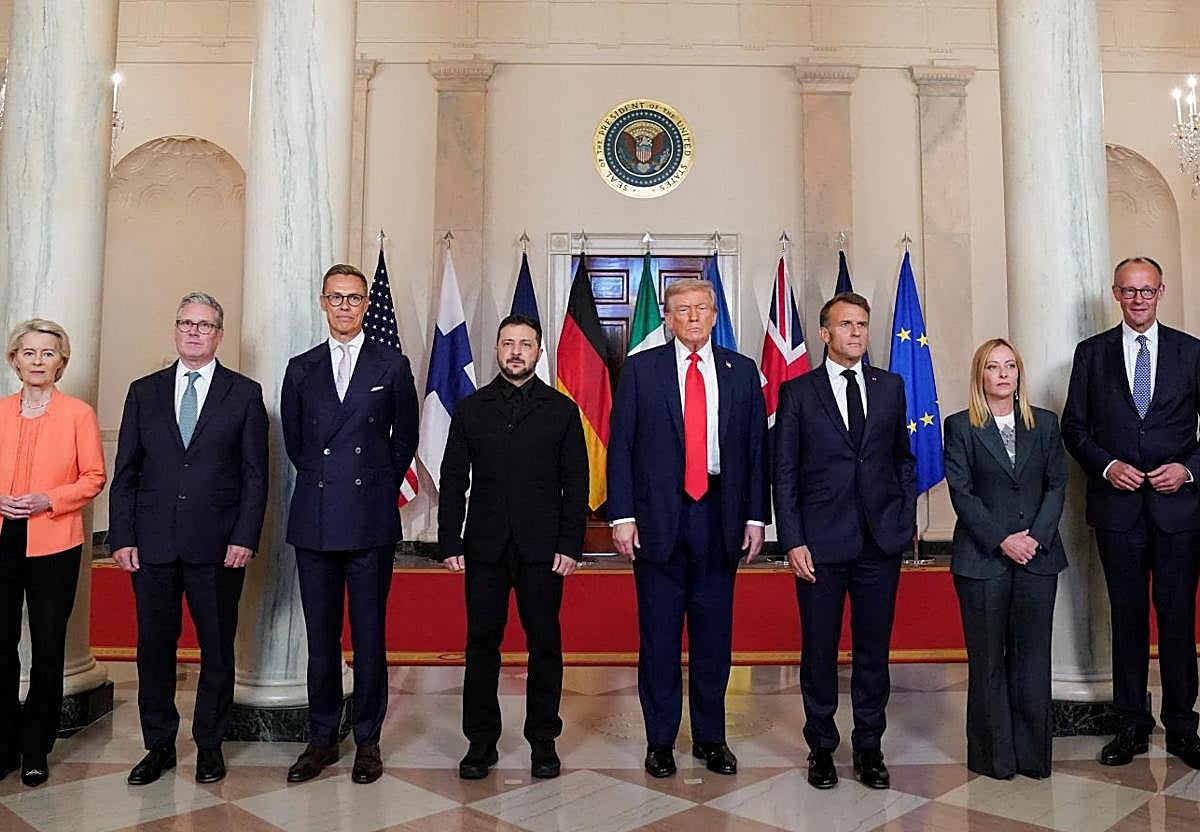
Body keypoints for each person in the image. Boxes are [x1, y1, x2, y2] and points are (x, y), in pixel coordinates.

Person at [608, 277, 768, 779]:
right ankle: (660, 741)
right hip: (658, 518)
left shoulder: (742, 372)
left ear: (715, 315)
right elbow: (622, 447)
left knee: (713, 639)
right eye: (683, 310)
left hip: (719, 516)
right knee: (658, 639)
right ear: (669, 318)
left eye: (702, 309)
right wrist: (623, 515)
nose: (693, 318)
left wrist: (755, 516)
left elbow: (755, 451)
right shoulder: (640, 370)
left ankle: (710, 738)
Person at [109, 293, 268, 786]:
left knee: (217, 648)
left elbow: (255, 475)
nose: (194, 332)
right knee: (153, 648)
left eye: (205, 325)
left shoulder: (243, 393)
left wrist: (245, 535)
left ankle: (209, 744)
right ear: (175, 330)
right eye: (186, 324)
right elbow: (127, 471)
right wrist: (121, 535)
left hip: (218, 546)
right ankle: (158, 745)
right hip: (152, 544)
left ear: (219, 334)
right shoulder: (144, 391)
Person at [281, 263, 419, 785]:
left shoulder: (392, 365)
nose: (344, 306)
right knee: (320, 638)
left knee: (368, 637)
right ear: (322, 303)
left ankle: (367, 740)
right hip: (315, 518)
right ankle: (321, 738)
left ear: (366, 305)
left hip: (368, 518)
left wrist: (374, 485)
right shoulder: (301, 367)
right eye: (336, 298)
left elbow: (404, 438)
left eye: (354, 298)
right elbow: (297, 444)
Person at [773, 291, 915, 791]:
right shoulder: (798, 393)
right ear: (825, 333)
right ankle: (822, 748)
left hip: (880, 542)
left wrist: (902, 515)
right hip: (819, 545)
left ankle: (870, 747)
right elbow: (784, 473)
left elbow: (903, 458)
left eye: (862, 324)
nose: (856, 332)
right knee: (819, 651)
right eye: (846, 324)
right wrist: (792, 540)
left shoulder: (891, 387)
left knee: (873, 652)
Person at [1062, 256, 1200, 769]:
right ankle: (1131, 726)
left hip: (1178, 510)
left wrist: (1187, 471)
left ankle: (1184, 726)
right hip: (1117, 509)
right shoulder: (1092, 354)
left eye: (1147, 290)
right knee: (1126, 619)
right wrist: (1106, 465)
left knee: (1179, 618)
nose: (1138, 299)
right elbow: (1074, 427)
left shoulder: (1191, 352)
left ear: (1160, 292)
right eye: (1129, 290)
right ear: (1115, 294)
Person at [438, 313, 589, 781]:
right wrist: (449, 538)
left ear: (539, 352)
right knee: (481, 644)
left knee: (545, 643)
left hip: (543, 548)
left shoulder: (561, 410)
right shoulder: (472, 408)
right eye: (508, 343)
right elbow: (452, 477)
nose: (516, 351)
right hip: (483, 545)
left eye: (526, 344)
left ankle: (543, 740)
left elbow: (576, 481)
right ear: (497, 350)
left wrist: (570, 543)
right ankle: (480, 742)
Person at [943, 338, 1068, 780]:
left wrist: (1034, 538)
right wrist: (1003, 540)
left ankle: (1034, 757)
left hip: (1039, 557)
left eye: (1010, 366)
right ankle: (995, 758)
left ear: (1019, 374)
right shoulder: (959, 426)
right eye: (993, 367)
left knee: (1033, 659)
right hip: (982, 560)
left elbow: (1057, 486)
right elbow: (963, 493)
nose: (1002, 374)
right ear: (980, 375)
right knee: (988, 660)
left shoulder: (1046, 424)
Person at [0, 319, 105, 788]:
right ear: (14, 360)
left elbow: (93, 477)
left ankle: (36, 748)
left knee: (46, 647)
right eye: (29, 353)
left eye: (47, 353)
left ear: (61, 361)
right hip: (3, 537)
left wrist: (50, 499)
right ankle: (2, 744)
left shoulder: (78, 414)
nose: (37, 361)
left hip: (53, 541)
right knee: (1, 648)